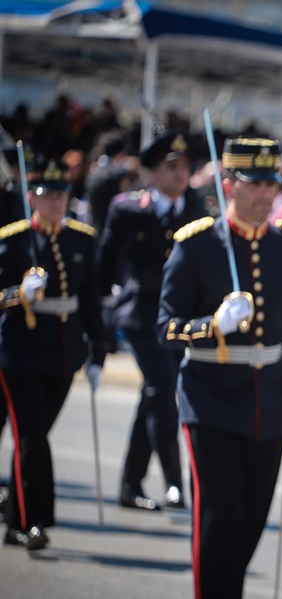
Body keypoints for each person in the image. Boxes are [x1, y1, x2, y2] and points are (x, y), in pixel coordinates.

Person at [158, 137, 282, 598]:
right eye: (254, 184)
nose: (265, 193)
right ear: (229, 185)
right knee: (220, 518)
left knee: (250, 522)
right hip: (210, 399)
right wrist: (212, 325)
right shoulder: (198, 244)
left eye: (272, 183)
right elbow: (165, 328)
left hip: (271, 402)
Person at [97, 129, 208, 511]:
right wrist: (103, 307)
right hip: (140, 314)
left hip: (177, 319)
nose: (180, 175)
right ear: (153, 172)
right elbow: (106, 259)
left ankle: (130, 483)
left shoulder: (197, 209)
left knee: (154, 395)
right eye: (171, 167)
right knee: (162, 388)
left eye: (185, 167)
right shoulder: (129, 207)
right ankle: (176, 482)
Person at [0, 158, 106, 549]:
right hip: (19, 352)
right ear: (32, 198)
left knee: (35, 436)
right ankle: (34, 521)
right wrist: (16, 295)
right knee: (32, 437)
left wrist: (100, 351)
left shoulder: (81, 237)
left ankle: (13, 521)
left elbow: (90, 299)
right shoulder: (12, 239)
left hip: (64, 352)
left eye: (63, 195)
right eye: (49, 195)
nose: (57, 202)